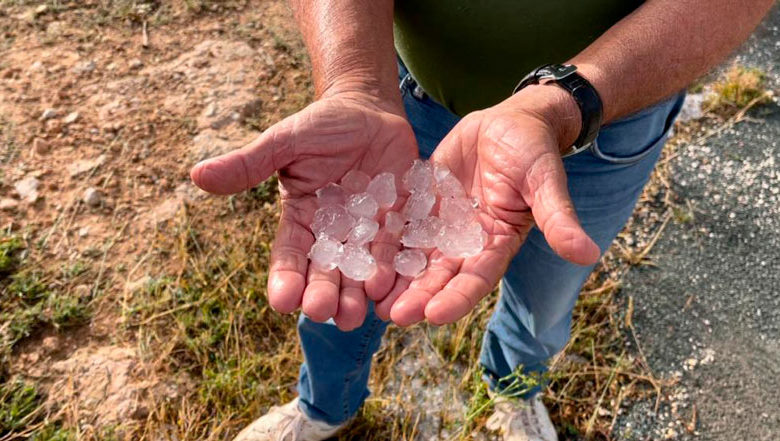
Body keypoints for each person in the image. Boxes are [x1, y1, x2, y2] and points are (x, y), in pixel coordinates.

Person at [190, 0, 773, 439]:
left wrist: (565, 102)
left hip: (607, 115)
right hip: (408, 99)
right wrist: (355, 83)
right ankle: (323, 406)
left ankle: (514, 389)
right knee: (339, 293)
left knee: (548, 297)